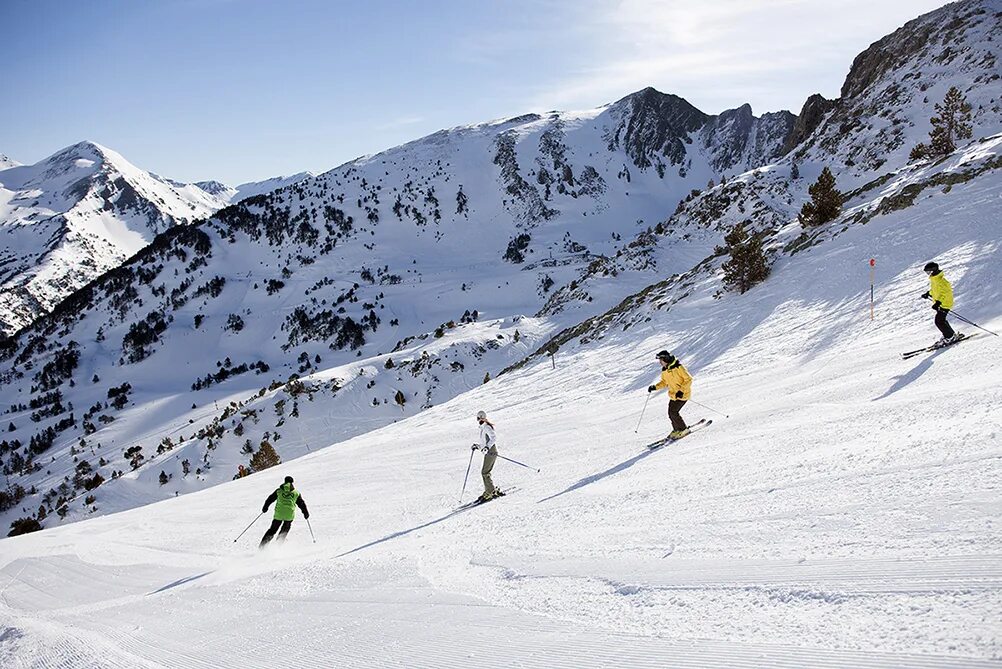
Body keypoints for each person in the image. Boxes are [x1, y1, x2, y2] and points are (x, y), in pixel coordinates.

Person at [647, 350, 693, 439]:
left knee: (674, 412)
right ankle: (677, 429)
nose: (660, 363)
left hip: (683, 395)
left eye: (661, 360)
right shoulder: (665, 370)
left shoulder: (678, 367)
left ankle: (683, 429)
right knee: (670, 413)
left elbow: (688, 379)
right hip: (674, 395)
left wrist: (681, 391)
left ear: (666, 359)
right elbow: (664, 382)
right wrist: (655, 387)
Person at [259, 475, 309, 548]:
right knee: (284, 530)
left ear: (285, 481)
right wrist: (305, 513)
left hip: (278, 514)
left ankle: (262, 547)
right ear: (292, 482)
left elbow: (270, 499)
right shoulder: (296, 493)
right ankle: (277, 546)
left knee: (272, 530)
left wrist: (265, 508)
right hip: (289, 515)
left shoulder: (279, 491)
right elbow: (301, 504)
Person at [921, 261, 958, 345]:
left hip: (945, 303)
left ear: (933, 270)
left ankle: (949, 337)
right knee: (941, 320)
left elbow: (945, 293)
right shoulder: (935, 279)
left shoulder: (941, 281)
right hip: (940, 304)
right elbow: (936, 291)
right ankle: (950, 335)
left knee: (939, 321)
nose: (928, 274)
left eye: (928, 272)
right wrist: (928, 293)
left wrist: (938, 302)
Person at [472, 411, 505, 503]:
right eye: (478, 418)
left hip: (491, 452)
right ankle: (490, 490)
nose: (479, 419)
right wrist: (478, 446)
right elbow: (484, 443)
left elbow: (493, 438)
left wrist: (487, 447)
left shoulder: (486, 427)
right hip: (489, 452)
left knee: (485, 472)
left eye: (480, 418)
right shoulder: (483, 428)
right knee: (485, 472)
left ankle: (490, 491)